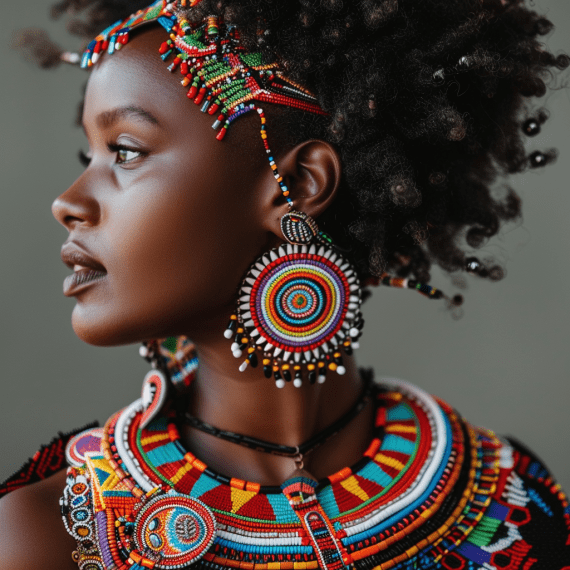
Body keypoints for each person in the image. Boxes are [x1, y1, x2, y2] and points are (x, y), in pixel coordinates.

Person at [1, 0, 569, 568]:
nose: (67, 203)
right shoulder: (49, 537)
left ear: (296, 185)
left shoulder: (511, 498)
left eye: (124, 152)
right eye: (89, 154)